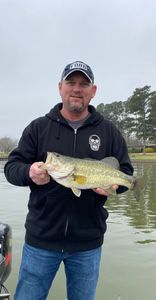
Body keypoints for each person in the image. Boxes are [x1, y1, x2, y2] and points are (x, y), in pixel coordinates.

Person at [4, 60, 133, 300]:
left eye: (84, 84)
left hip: (88, 244)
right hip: (41, 241)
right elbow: (12, 168)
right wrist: (28, 173)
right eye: (71, 82)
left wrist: (114, 187)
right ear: (60, 87)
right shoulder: (38, 128)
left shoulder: (108, 131)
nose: (77, 88)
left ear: (93, 91)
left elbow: (124, 170)